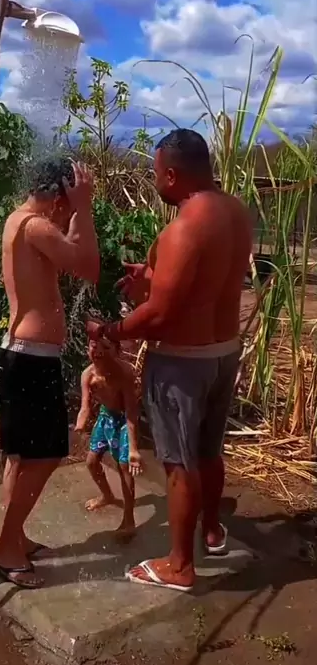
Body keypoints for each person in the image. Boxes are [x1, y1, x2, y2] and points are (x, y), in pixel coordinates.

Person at [87, 129, 252, 592]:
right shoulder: (236, 212)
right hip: (223, 352)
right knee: (209, 451)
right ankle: (212, 531)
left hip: (182, 363)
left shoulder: (182, 229)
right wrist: (154, 273)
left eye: (157, 172)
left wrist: (111, 331)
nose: (155, 179)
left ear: (173, 175)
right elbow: (206, 277)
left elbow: (159, 315)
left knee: (179, 462)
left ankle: (179, 566)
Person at [0, 157, 100, 589]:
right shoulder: (35, 226)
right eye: (67, 203)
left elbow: (72, 251)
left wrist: (76, 212)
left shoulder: (22, 222)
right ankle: (6, 548)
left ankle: (14, 537)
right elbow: (88, 266)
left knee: (22, 456)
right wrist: (85, 208)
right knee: (45, 456)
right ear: (57, 196)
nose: (67, 213)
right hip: (31, 358)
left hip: (25, 355)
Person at [74, 338, 142, 541]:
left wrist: (134, 449)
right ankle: (107, 495)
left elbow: (131, 411)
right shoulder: (88, 375)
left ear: (117, 351)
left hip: (124, 420)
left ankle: (129, 519)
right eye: (94, 346)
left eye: (106, 347)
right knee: (91, 462)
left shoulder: (124, 373)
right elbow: (85, 407)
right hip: (106, 417)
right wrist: (79, 426)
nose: (99, 351)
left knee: (124, 466)